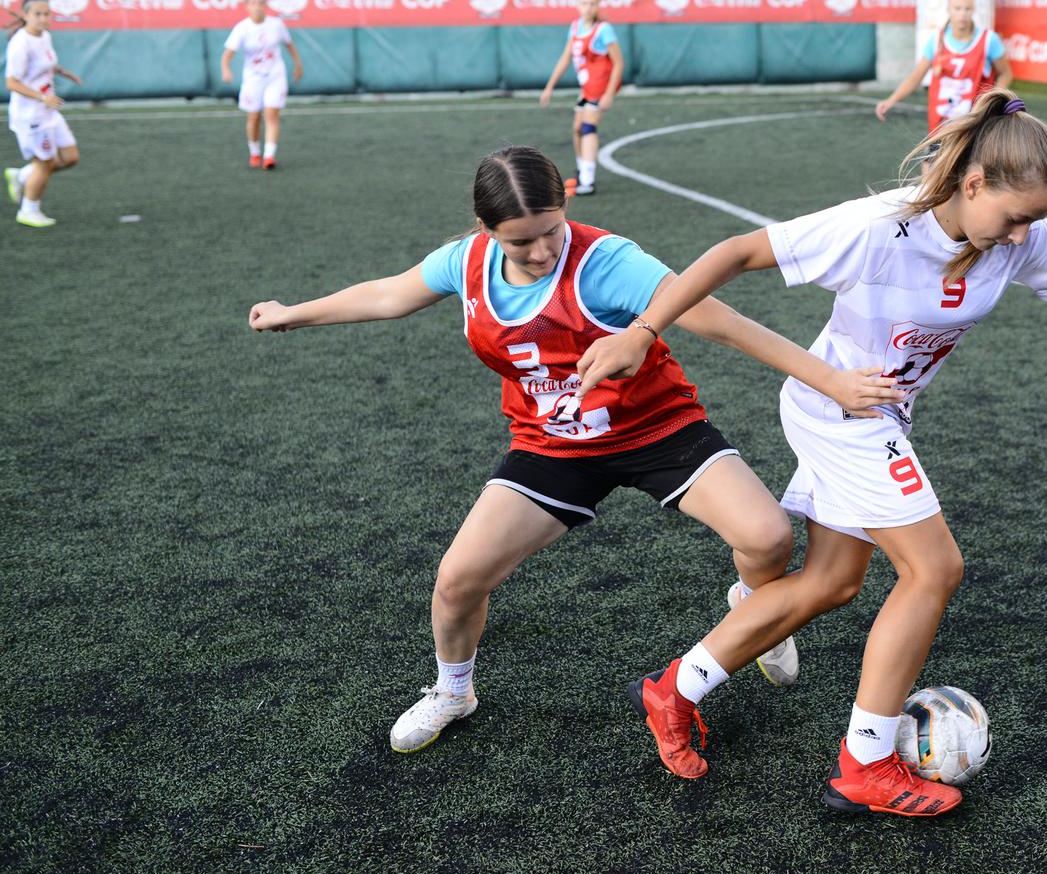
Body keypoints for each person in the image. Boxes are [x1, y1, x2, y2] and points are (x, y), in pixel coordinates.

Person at [577, 89, 1047, 817]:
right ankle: (865, 764)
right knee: (934, 567)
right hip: (841, 408)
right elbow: (737, 252)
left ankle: (675, 689)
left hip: (878, 416)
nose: (1024, 237)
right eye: (1016, 217)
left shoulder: (1021, 239)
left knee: (830, 582)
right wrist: (642, 330)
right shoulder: (880, 227)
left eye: (1038, 221)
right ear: (973, 183)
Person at [247, 146, 900, 757]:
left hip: (656, 428)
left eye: (549, 231)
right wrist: (291, 313)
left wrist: (832, 380)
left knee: (766, 538)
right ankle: (453, 691)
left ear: (564, 204)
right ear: (483, 228)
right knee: (456, 580)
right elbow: (389, 294)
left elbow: (721, 323)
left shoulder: (607, 261)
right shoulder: (465, 262)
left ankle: (759, 613)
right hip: (550, 446)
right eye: (517, 241)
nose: (537, 252)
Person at [876, 0, 1012, 135]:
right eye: (957, 8)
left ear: (973, 10)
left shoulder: (989, 40)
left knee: (973, 158)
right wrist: (891, 100)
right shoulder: (936, 40)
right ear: (949, 9)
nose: (962, 14)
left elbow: (1006, 74)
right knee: (933, 158)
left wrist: (992, 101)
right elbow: (916, 77)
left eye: (967, 8)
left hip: (974, 125)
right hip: (941, 126)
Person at [4, 0, 84, 229]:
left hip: (48, 110)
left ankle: (21, 176)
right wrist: (42, 97)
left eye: (46, 14)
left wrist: (62, 71)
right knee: (44, 164)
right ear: (26, 15)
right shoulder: (20, 43)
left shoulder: (45, 36)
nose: (43, 18)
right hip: (32, 115)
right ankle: (29, 210)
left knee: (70, 158)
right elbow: (12, 83)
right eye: (37, 14)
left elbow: (43, 65)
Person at [539, 0, 622, 197]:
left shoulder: (604, 29)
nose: (588, 7)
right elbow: (566, 58)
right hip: (587, 88)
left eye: (592, 3)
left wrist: (609, 94)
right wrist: (549, 87)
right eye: (584, 3)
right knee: (577, 129)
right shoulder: (575, 27)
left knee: (587, 128)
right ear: (577, 5)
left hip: (600, 87)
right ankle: (582, 170)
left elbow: (619, 63)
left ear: (598, 5)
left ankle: (588, 180)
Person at [221, 0, 303, 171]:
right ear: (247, 6)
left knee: (272, 114)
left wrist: (298, 65)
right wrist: (226, 69)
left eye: (260, 3)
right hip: (253, 79)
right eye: (253, 3)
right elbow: (228, 54)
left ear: (266, 5)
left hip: (275, 76)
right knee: (254, 117)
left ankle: (269, 156)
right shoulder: (242, 28)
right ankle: (255, 151)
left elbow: (289, 45)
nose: (257, 7)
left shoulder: (276, 25)